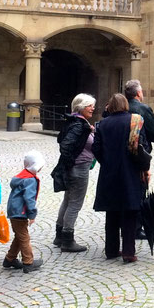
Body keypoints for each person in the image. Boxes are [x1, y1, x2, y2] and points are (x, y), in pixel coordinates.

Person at [92, 93, 149, 263]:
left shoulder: (103, 124)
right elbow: (143, 146)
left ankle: (111, 249)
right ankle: (128, 252)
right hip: (130, 171)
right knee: (130, 212)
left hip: (109, 171)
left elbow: (96, 148)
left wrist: (106, 161)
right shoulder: (135, 121)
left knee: (112, 211)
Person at [49, 93, 95, 253]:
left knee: (68, 200)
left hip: (75, 167)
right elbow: (66, 145)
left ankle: (59, 235)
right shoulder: (78, 124)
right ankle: (68, 240)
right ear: (81, 107)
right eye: (90, 105)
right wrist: (71, 162)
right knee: (75, 203)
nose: (93, 108)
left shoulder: (75, 121)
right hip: (79, 168)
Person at [124, 80, 154, 240]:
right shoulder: (143, 109)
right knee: (140, 187)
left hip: (121, 155)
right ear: (138, 93)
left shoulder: (119, 107)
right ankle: (136, 227)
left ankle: (125, 224)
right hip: (139, 152)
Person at [3, 151, 46, 273]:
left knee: (20, 235)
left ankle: (9, 259)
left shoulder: (22, 176)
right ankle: (28, 262)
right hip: (20, 212)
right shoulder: (29, 180)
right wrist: (32, 214)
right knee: (24, 237)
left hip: (14, 211)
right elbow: (29, 198)